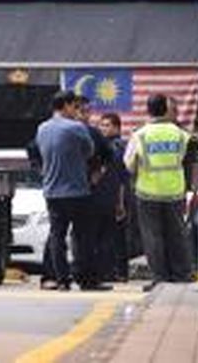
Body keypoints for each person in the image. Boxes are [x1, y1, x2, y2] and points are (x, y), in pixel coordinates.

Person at [124, 94, 193, 292]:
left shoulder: (140, 135)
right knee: (177, 234)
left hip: (148, 192)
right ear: (166, 109)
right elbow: (184, 158)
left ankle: (160, 278)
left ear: (148, 110)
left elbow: (129, 164)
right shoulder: (181, 134)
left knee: (153, 237)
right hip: (174, 191)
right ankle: (182, 275)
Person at [36, 90, 99, 291]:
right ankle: (86, 279)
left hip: (52, 191)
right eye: (74, 107)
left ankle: (61, 279)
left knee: (57, 236)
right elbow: (89, 151)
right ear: (66, 106)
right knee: (83, 237)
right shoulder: (77, 128)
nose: (76, 111)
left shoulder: (42, 128)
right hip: (77, 190)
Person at [74, 97, 116, 289]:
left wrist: (98, 172)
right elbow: (35, 150)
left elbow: (109, 155)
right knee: (61, 236)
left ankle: (83, 276)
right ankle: (57, 277)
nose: (85, 115)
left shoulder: (92, 133)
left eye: (87, 111)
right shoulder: (57, 130)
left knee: (85, 236)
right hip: (68, 191)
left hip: (84, 191)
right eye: (81, 111)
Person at [98, 112, 131, 281]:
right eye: (101, 125)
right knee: (108, 235)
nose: (103, 128)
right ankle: (112, 271)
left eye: (107, 125)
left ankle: (118, 271)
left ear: (117, 128)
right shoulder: (104, 145)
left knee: (116, 236)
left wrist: (120, 202)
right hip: (106, 195)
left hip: (117, 195)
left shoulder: (118, 147)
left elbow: (121, 177)